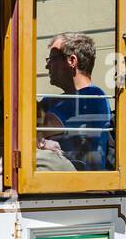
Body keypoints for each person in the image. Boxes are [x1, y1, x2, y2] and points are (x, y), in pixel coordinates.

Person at [43, 32, 113, 171]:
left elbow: (39, 127)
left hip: (79, 185)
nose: (47, 66)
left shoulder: (93, 97)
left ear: (72, 61)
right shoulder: (53, 101)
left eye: (52, 59)